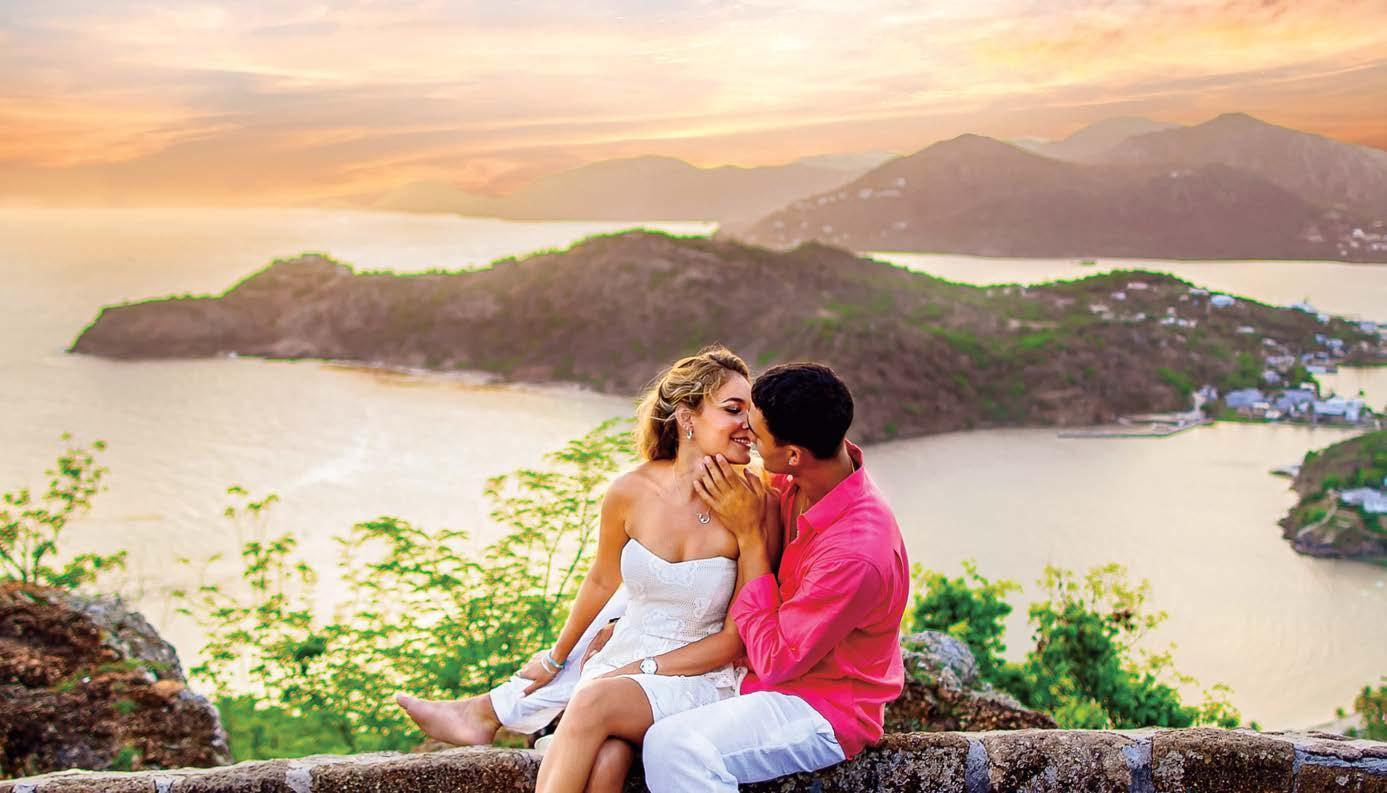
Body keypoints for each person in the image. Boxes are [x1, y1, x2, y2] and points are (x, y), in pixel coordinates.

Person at [398, 345, 776, 793]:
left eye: (750, 412)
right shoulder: (630, 491)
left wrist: (640, 668)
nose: (749, 424)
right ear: (686, 417)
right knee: (607, 759)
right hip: (617, 668)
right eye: (733, 409)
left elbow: (735, 639)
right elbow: (601, 580)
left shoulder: (757, 504)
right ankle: (495, 711)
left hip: (698, 677)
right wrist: (556, 659)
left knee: (593, 701)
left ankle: (491, 713)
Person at [641, 362, 910, 792]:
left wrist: (750, 536)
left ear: (793, 456)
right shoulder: (796, 480)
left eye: (756, 433)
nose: (746, 435)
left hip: (821, 703)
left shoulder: (856, 553)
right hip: (754, 675)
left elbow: (776, 659)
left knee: (674, 747)